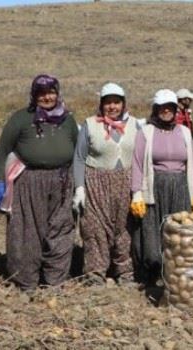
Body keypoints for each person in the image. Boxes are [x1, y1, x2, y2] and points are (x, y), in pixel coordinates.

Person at [0, 74, 78, 291]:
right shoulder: (21, 118)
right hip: (30, 180)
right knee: (27, 231)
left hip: (62, 179)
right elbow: (2, 151)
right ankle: (26, 280)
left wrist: (79, 185)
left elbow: (78, 152)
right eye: (41, 93)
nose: (47, 97)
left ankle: (55, 279)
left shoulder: (68, 120)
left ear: (57, 93)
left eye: (51, 92)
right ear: (34, 95)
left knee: (61, 229)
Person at [129, 89, 193, 286]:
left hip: (180, 186)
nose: (166, 111)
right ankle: (152, 273)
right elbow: (137, 163)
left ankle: (175, 276)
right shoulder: (146, 132)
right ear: (156, 109)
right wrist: (136, 193)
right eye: (162, 107)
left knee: (178, 234)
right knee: (152, 235)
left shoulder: (185, 132)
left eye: (170, 107)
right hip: (154, 187)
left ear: (175, 109)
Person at [72, 83, 139, 286]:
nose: (112, 107)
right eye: (108, 102)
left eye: (116, 102)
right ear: (101, 104)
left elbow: (141, 157)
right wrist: (80, 188)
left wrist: (139, 189)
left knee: (125, 229)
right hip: (96, 184)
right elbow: (79, 157)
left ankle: (125, 272)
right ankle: (95, 274)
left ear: (123, 104)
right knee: (94, 229)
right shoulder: (90, 124)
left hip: (125, 183)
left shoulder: (136, 125)